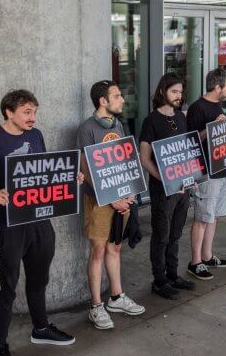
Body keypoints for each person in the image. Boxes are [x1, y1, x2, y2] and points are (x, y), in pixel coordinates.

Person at [0, 90, 76, 356]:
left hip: (39, 219)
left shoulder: (35, 135)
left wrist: (70, 179)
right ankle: (0, 344)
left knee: (39, 278)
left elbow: (44, 171)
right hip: (8, 224)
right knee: (6, 285)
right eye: (27, 112)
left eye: (35, 111)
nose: (33, 117)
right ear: (9, 112)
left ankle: (40, 329)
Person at [77, 80, 145, 329]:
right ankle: (96, 306)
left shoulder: (118, 124)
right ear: (102, 101)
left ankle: (116, 297)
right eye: (117, 96)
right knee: (97, 251)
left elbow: (127, 162)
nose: (122, 100)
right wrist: (112, 199)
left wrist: (129, 195)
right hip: (99, 202)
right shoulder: (87, 129)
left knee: (115, 248)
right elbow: (88, 171)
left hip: (122, 199)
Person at [139, 73, 196, 299]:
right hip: (163, 189)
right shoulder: (151, 121)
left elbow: (187, 149)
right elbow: (145, 158)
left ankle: (172, 274)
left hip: (185, 186)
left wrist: (191, 179)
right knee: (161, 235)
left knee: (176, 233)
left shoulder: (181, 117)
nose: (179, 96)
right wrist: (166, 179)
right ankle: (159, 280)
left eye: (181, 92)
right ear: (163, 91)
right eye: (174, 91)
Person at [186, 68, 226, 280]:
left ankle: (207, 255)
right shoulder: (198, 108)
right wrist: (212, 127)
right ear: (218, 87)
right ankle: (195, 261)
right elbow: (191, 141)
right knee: (202, 217)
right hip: (206, 172)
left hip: (222, 167)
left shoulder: (217, 104)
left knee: (212, 216)